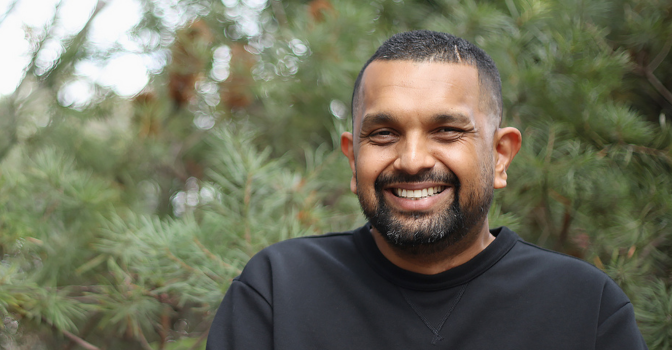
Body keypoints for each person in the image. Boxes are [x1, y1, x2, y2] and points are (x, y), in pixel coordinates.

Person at [206, 30, 647, 349]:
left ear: (501, 156)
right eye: (382, 134)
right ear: (352, 156)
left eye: (447, 131)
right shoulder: (278, 290)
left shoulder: (584, 307)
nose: (413, 159)